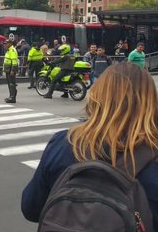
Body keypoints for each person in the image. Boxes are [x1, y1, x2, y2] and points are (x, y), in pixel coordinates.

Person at [21, 62, 158, 227]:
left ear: (96, 96)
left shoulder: (65, 143)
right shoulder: (152, 155)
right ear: (150, 103)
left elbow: (30, 208)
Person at [3, 39, 19, 103]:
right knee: (10, 84)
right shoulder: (9, 50)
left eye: (6, 43)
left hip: (10, 70)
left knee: (12, 84)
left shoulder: (12, 50)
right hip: (8, 69)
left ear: (10, 43)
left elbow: (14, 61)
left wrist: (12, 70)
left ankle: (12, 98)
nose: (5, 45)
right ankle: (11, 96)